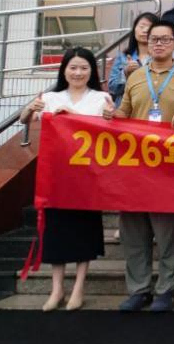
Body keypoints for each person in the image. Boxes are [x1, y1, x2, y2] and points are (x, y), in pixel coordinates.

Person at [108, 20, 174, 312]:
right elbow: (124, 113)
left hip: (171, 168)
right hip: (136, 167)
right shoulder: (136, 76)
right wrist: (111, 114)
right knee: (133, 232)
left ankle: (167, 290)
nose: (158, 44)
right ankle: (139, 290)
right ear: (146, 43)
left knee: (169, 233)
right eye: (153, 39)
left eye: (165, 39)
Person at [20, 48, 111, 312]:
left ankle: (79, 288)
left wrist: (86, 115)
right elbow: (25, 120)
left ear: (92, 71)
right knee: (56, 232)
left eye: (84, 68)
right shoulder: (50, 97)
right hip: (56, 176)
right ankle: (57, 288)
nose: (78, 73)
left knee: (84, 231)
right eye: (73, 67)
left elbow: (107, 130)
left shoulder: (101, 98)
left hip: (87, 177)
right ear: (64, 70)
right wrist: (29, 108)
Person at [109, 13, 159, 102]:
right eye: (142, 26)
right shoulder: (123, 57)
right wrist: (125, 73)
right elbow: (113, 88)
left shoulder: (161, 58)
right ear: (134, 29)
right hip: (125, 107)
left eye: (150, 27)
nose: (145, 30)